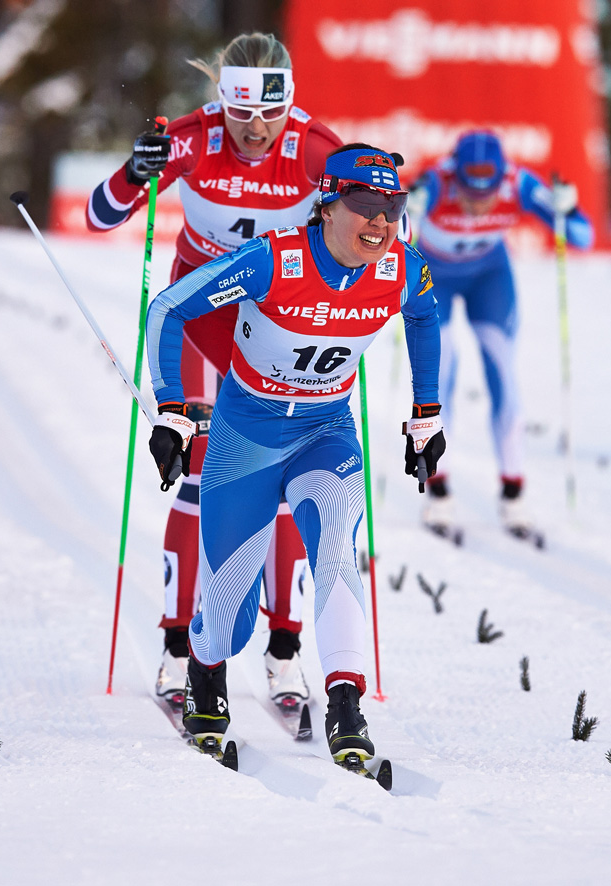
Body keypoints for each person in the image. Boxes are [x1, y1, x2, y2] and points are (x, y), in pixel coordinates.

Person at [144, 144, 445, 762]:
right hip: (245, 438)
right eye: (365, 205)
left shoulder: (402, 268)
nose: (380, 222)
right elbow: (168, 308)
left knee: (339, 548)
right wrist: (173, 411)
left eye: (393, 206)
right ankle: (205, 676)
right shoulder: (271, 261)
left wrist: (427, 413)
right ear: (326, 207)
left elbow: (424, 317)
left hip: (326, 433)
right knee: (232, 609)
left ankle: (345, 705)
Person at [86, 33, 343, 708]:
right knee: (198, 470)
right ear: (220, 100)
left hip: (274, 327)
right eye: (241, 113)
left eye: (271, 113)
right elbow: (99, 215)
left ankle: (283, 652)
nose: (256, 130)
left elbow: (379, 228)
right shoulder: (194, 139)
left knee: (282, 480)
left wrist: (378, 201)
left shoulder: (316, 148)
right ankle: (178, 645)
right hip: (199, 318)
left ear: (290, 101)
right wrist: (132, 171)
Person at [408, 128, 593, 538]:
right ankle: (438, 491)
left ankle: (513, 492)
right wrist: (410, 209)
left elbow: (583, 236)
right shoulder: (437, 180)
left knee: (503, 373)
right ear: (456, 176)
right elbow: (393, 233)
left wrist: (569, 209)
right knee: (439, 379)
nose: (478, 205)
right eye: (469, 195)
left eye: (486, 195)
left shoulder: (518, 183)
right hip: (433, 275)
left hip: (489, 276)